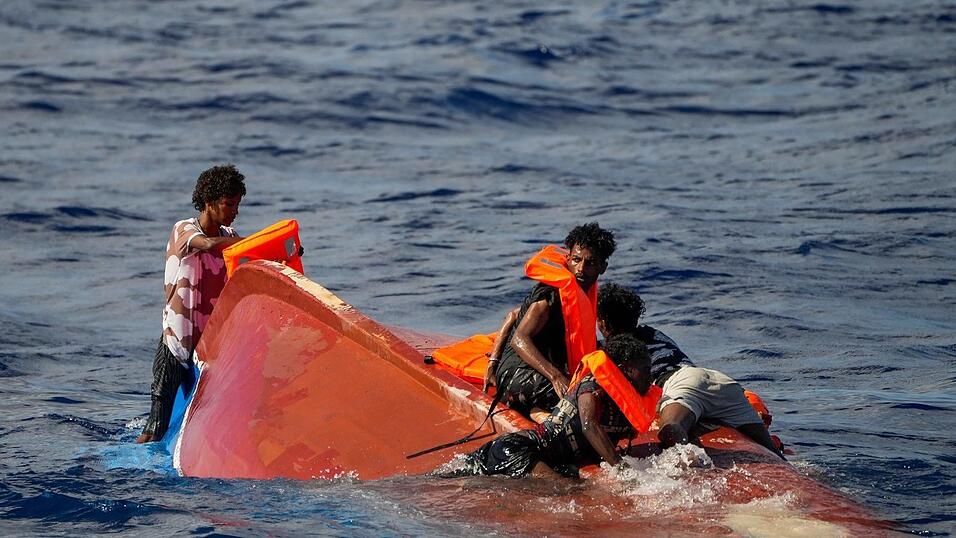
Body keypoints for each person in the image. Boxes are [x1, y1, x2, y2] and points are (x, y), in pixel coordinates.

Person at [595, 282, 784, 459]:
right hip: (718, 381)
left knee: (670, 429)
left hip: (681, 383)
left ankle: (689, 473)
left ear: (602, 322)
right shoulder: (653, 333)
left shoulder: (611, 349)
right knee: (770, 449)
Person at [136, 165, 246, 443]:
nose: (235, 211)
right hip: (175, 345)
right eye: (229, 204)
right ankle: (137, 464)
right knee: (155, 425)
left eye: (237, 204)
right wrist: (247, 243)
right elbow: (207, 245)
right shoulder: (184, 230)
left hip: (206, 351)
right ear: (209, 203)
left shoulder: (230, 238)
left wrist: (280, 252)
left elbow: (252, 262)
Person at [453, 334, 654, 478]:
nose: (650, 376)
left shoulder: (625, 403)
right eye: (644, 370)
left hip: (552, 462)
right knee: (564, 492)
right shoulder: (592, 387)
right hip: (520, 449)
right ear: (623, 370)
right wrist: (622, 471)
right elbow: (589, 425)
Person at [488, 222, 616, 419]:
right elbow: (519, 338)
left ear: (603, 267)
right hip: (517, 371)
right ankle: (538, 413)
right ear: (568, 259)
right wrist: (493, 364)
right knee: (582, 398)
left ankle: (538, 410)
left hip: (542, 368)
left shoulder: (583, 293)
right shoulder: (552, 294)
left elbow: (514, 314)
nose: (581, 268)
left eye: (590, 263)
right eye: (576, 260)